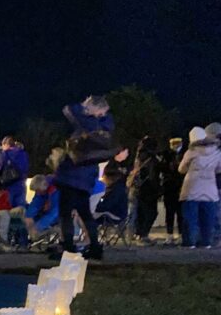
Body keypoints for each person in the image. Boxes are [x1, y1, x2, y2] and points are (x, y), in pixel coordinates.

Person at [53, 95, 114, 260]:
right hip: (87, 178)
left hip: (71, 175)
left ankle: (68, 248)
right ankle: (94, 246)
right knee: (85, 213)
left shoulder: (88, 122)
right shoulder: (105, 126)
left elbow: (69, 109)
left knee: (65, 213)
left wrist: (84, 106)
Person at [178, 126, 221, 248]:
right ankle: (206, 242)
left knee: (190, 218)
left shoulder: (191, 152)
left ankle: (190, 242)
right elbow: (219, 169)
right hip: (210, 190)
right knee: (207, 219)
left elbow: (181, 169)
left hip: (191, 188)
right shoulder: (217, 152)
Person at [128, 136, 162, 244]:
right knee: (150, 213)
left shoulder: (139, 156)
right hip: (148, 190)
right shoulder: (152, 158)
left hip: (137, 189)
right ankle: (143, 235)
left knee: (140, 213)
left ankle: (138, 234)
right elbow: (152, 176)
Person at [0, 136, 30, 209]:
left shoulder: (4, 155)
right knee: (20, 210)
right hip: (21, 185)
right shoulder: (24, 154)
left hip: (8, 187)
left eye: (2, 145)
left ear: (6, 144)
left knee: (7, 209)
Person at [0, 180, 24, 248]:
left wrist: (3, 208)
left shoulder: (5, 194)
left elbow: (7, 206)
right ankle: (3, 241)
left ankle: (29, 236)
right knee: (4, 213)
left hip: (5, 212)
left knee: (21, 209)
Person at [23, 175, 60, 245]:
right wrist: (29, 216)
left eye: (38, 191)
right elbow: (36, 203)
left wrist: (38, 226)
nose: (37, 193)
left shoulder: (56, 191)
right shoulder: (41, 190)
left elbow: (55, 212)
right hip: (49, 215)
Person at [160, 137, 185, 243]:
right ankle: (170, 234)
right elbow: (162, 168)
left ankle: (180, 234)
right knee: (170, 213)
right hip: (170, 187)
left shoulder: (184, 154)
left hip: (179, 187)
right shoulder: (166, 155)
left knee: (180, 213)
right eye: (174, 143)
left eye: (177, 143)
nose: (176, 146)